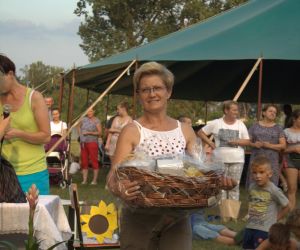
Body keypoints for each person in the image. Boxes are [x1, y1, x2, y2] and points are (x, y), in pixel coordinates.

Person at [106, 62, 236, 250]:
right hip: (139, 218)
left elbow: (199, 172)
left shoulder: (185, 130)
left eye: (157, 88)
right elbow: (113, 175)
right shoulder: (131, 131)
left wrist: (217, 181)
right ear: (139, 95)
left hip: (178, 219)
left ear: (168, 92)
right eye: (145, 90)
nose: (152, 94)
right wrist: (119, 188)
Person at [0, 54, 50, 194]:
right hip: (5, 173)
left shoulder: (34, 98)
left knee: (34, 215)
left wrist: (18, 133)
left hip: (33, 173)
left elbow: (46, 136)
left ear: (10, 74)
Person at [198, 100, 250, 201]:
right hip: (219, 160)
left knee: (234, 187)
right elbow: (200, 132)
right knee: (220, 187)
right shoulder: (216, 123)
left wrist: (237, 141)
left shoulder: (240, 124)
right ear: (226, 110)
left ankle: (232, 214)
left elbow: (247, 141)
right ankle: (222, 214)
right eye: (234, 110)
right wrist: (211, 143)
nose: (236, 112)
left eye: (237, 110)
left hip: (237, 160)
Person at [242, 155, 290, 249]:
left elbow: (287, 206)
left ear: (270, 174)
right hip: (250, 226)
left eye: (261, 172)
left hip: (265, 229)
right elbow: (251, 203)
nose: (258, 176)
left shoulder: (274, 190)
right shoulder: (252, 187)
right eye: (254, 173)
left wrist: (275, 219)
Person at [246, 104, 286, 188]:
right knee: (254, 184)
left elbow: (283, 146)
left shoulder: (278, 128)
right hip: (256, 159)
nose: (273, 113)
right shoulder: (255, 126)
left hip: (272, 161)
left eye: (275, 112)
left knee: (271, 186)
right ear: (264, 113)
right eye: (270, 111)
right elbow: (247, 142)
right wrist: (254, 144)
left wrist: (269, 145)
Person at [78, 108, 102, 185]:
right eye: (88, 111)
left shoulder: (96, 120)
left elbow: (100, 133)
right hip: (83, 143)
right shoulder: (83, 119)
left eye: (91, 111)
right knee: (84, 161)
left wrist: (89, 132)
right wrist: (80, 134)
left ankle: (94, 180)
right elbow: (77, 126)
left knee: (94, 160)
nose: (89, 112)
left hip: (92, 142)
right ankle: (84, 180)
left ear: (94, 111)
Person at [284, 109, 300, 210]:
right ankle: (291, 214)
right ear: (294, 119)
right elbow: (282, 150)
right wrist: (293, 148)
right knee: (292, 188)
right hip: (290, 161)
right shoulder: (286, 132)